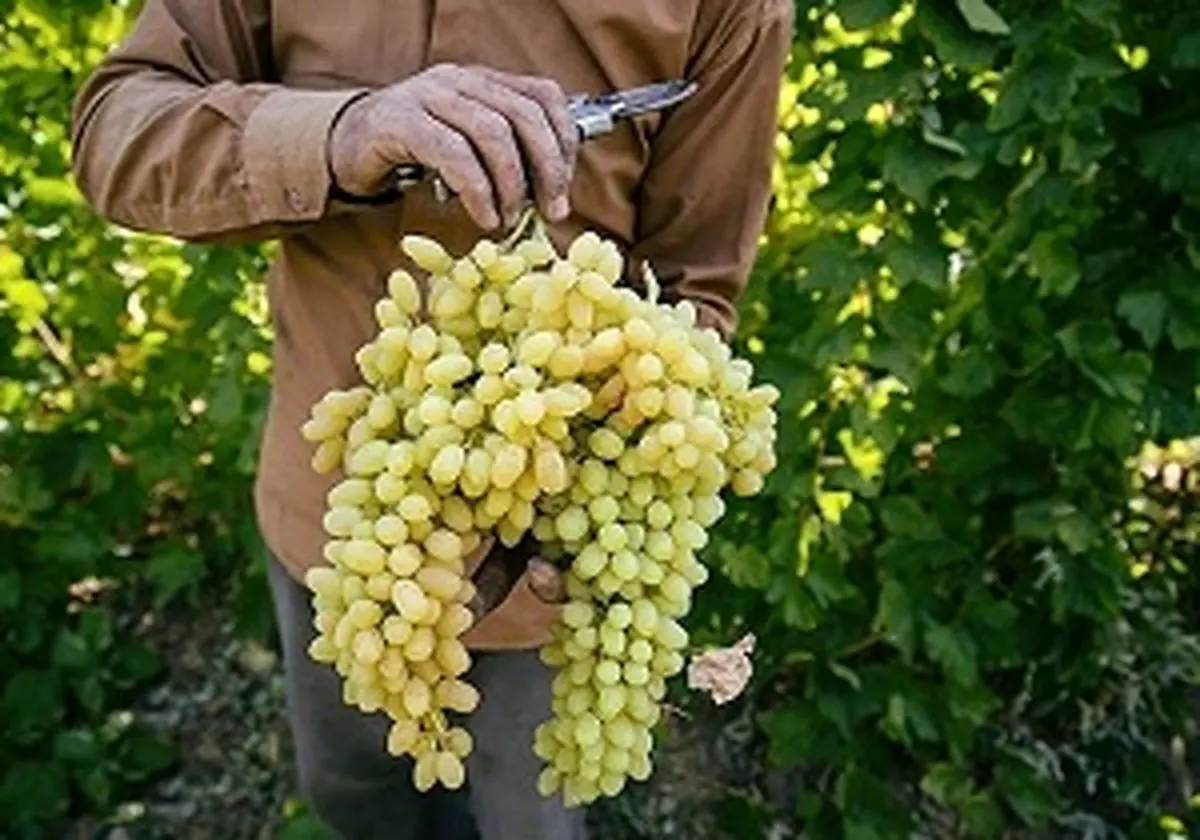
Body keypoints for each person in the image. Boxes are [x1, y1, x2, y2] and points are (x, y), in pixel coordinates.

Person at [69, 1, 792, 837]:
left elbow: (695, 291)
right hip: (344, 535)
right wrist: (340, 135)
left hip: (555, 565)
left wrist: (620, 457)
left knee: (533, 814)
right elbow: (114, 131)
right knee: (352, 793)